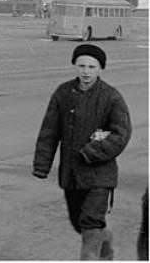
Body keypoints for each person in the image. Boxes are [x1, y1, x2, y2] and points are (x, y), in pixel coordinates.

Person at [33, 44, 132, 260]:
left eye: (91, 67)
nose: (86, 71)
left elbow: (121, 135)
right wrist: (42, 165)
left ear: (100, 69)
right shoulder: (63, 93)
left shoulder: (111, 97)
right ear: (75, 66)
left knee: (90, 222)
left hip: (100, 175)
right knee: (80, 223)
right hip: (71, 175)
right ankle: (105, 247)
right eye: (81, 66)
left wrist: (92, 151)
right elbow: (49, 131)